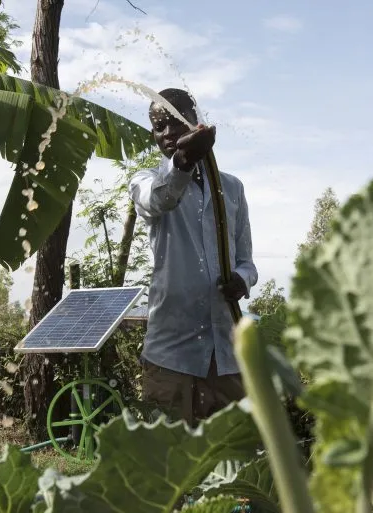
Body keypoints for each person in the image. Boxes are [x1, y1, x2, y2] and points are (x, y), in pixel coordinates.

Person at [128, 88, 258, 427]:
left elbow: (247, 260)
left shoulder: (232, 188)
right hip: (172, 357)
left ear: (195, 121)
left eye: (175, 122)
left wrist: (242, 280)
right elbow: (161, 199)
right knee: (169, 465)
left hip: (229, 357)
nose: (168, 132)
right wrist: (183, 162)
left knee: (234, 462)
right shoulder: (147, 181)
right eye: (159, 127)